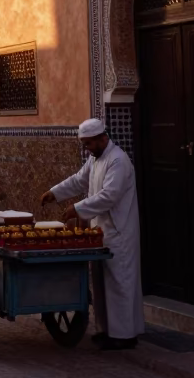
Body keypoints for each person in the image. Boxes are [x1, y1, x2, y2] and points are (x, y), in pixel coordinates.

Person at [40, 118, 144, 350]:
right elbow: (79, 180)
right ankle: (107, 331)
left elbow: (109, 196)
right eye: (84, 144)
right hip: (101, 231)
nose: (87, 148)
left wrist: (76, 209)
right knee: (100, 282)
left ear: (101, 138)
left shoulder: (118, 161)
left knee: (120, 282)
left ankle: (125, 335)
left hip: (119, 231)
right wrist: (54, 193)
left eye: (89, 144)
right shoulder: (96, 159)